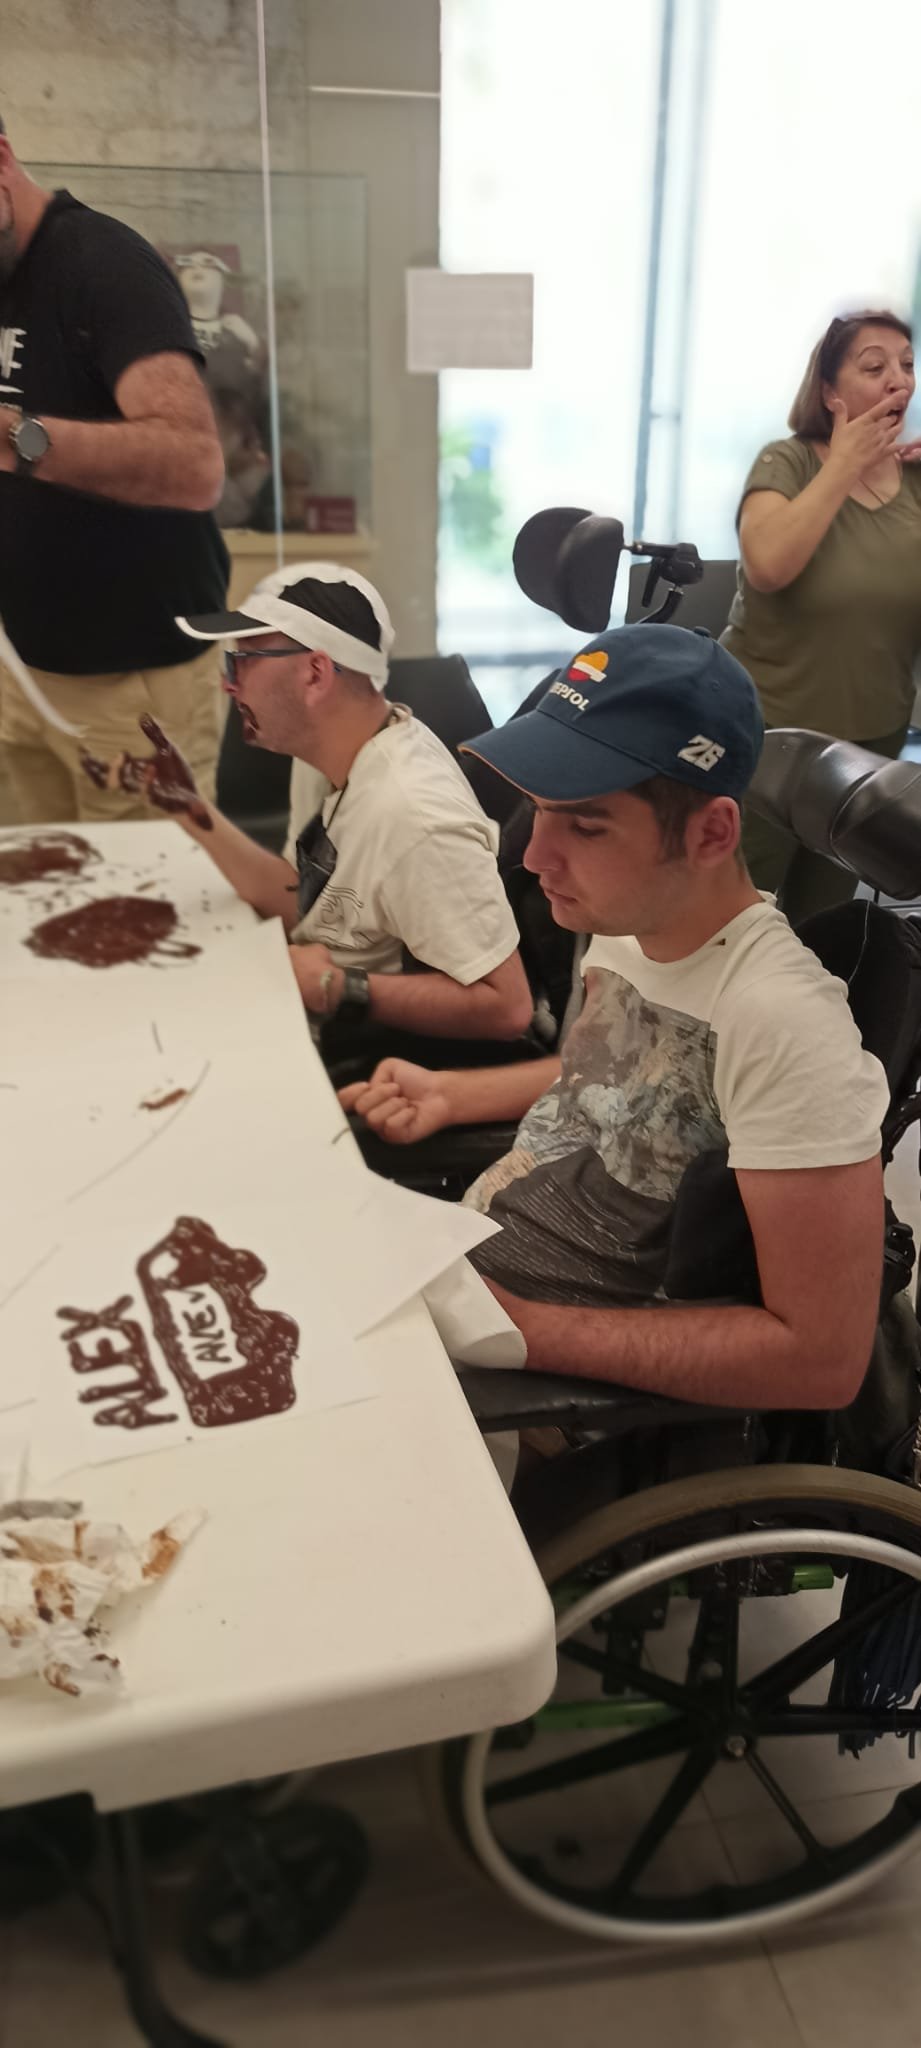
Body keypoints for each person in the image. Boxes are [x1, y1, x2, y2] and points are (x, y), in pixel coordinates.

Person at [343, 623, 888, 1412]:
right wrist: (453, 1094)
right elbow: (611, 1077)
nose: (534, 857)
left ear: (710, 833)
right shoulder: (623, 921)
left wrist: (517, 1328)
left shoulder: (781, 1021)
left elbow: (819, 1359)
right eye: (538, 811)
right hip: (462, 1274)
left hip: (523, 1384)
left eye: (585, 825)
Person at [95, 562, 531, 1049]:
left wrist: (338, 987)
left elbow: (508, 1008)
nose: (228, 684)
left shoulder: (413, 815)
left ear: (316, 673)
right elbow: (301, 900)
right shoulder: (327, 757)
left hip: (378, 1056)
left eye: (241, 661)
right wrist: (187, 808)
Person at [0, 116, 228, 825]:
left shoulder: (103, 263)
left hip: (133, 679)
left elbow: (195, 464)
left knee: (148, 889)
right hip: (20, 668)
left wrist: (18, 440)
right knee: (30, 886)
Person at [721, 307, 921, 923]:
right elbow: (768, 565)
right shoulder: (787, 462)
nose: (899, 380)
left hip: (869, 747)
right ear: (831, 392)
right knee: (737, 918)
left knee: (822, 926)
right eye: (875, 367)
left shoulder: (915, 482)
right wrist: (844, 464)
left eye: (907, 365)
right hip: (767, 739)